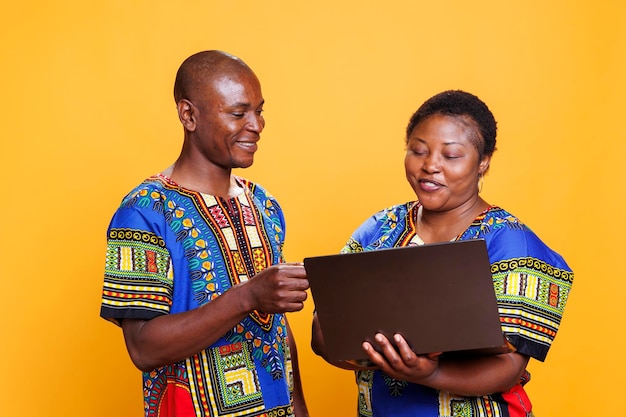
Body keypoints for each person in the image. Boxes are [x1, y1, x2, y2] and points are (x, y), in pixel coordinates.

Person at [311, 90, 573, 417]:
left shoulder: (512, 244)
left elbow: (509, 366)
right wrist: (374, 352)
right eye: (418, 151)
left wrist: (430, 373)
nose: (430, 166)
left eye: (450, 156)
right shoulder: (378, 230)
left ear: (484, 161)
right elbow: (325, 336)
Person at [100, 50, 310, 417]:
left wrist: (300, 406)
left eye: (259, 110)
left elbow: (278, 324)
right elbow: (143, 348)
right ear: (189, 115)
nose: (257, 125)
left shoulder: (264, 204)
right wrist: (247, 296)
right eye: (238, 113)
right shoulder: (144, 212)